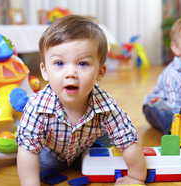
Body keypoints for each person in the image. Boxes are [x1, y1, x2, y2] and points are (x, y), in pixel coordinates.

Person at [16, 15, 146, 186]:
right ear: (45, 71)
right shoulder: (37, 106)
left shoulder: (106, 105)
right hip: (50, 156)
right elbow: (28, 150)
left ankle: (91, 154)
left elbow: (128, 142)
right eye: (59, 63)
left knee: (110, 145)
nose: (70, 73)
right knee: (34, 159)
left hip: (88, 147)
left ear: (100, 72)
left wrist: (136, 177)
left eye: (83, 64)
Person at [143, 15, 181, 134]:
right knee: (166, 114)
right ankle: (174, 132)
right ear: (176, 48)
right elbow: (175, 108)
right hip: (162, 106)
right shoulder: (173, 74)